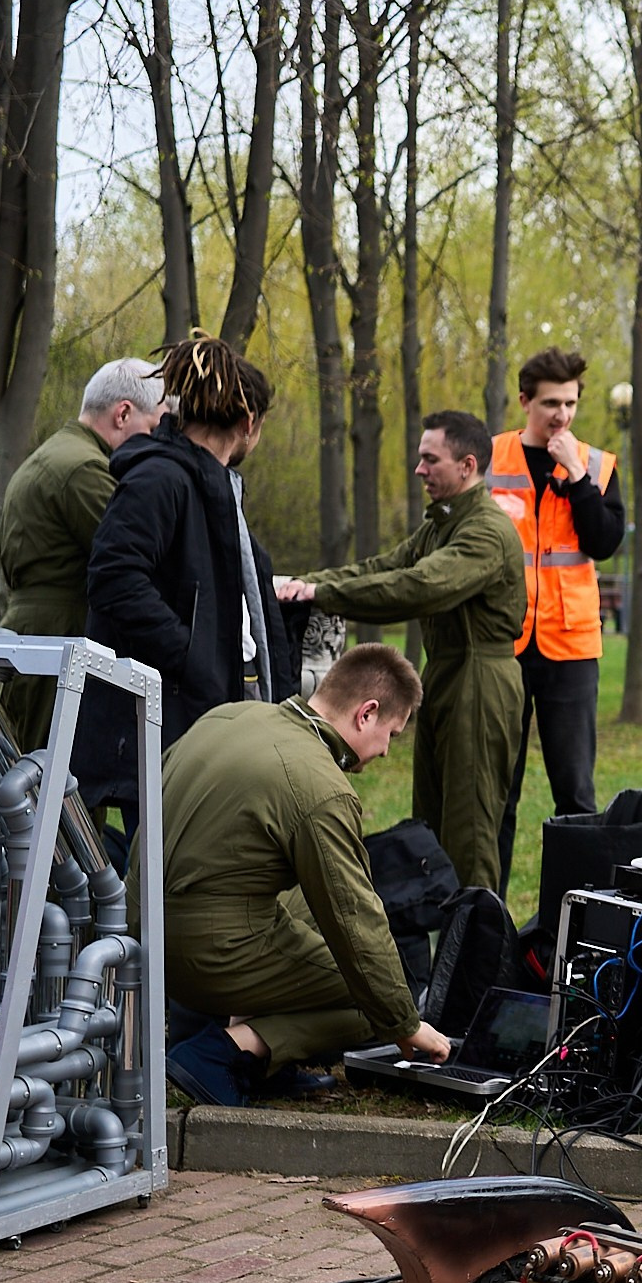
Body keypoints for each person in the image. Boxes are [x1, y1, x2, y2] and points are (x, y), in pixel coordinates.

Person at [159, 643, 453, 1105]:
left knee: (311, 911)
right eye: (391, 735)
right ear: (366, 713)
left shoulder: (232, 717)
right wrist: (406, 1024)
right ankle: (226, 1052)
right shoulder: (318, 784)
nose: (387, 752)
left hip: (146, 933)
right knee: (371, 997)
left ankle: (263, 1059)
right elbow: (354, 919)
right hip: (202, 952)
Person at [280, 410, 527, 892]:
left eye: (430, 459)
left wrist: (321, 595)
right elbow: (384, 567)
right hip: (449, 675)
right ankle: (437, 952)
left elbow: (417, 587)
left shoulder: (485, 532)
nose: (419, 470)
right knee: (431, 826)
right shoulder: (441, 525)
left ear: (467, 465)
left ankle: (477, 960)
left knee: (470, 837)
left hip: (481, 680)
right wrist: (309, 584)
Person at [80, 336, 296, 814]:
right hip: (154, 730)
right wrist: (193, 656)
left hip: (188, 727)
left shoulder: (212, 487)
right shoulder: (161, 479)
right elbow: (115, 577)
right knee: (149, 879)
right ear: (249, 423)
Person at [489, 348, 625, 890]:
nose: (561, 415)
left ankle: (576, 920)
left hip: (570, 649)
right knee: (500, 789)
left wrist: (577, 479)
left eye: (570, 403)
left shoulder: (598, 465)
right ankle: (487, 917)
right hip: (504, 644)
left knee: (575, 794)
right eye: (550, 403)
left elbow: (604, 543)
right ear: (525, 401)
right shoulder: (491, 458)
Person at [0, 357, 165, 746]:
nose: (154, 440)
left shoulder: (53, 455)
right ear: (123, 413)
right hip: (62, 635)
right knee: (56, 782)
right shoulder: (86, 470)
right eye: (152, 428)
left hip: (32, 633)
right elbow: (136, 558)